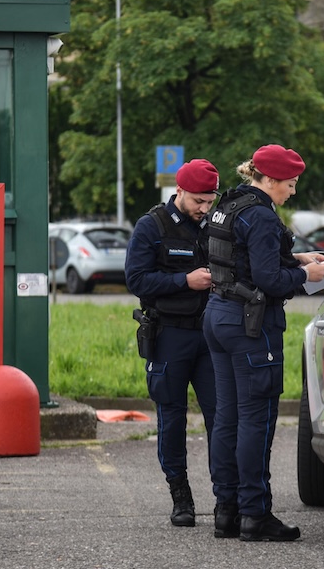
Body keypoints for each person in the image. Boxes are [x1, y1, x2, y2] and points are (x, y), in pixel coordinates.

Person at [203, 144, 324, 542]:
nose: (292, 191)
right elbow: (268, 279)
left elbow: (240, 259)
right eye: (290, 184)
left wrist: (296, 258)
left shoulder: (230, 203)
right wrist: (309, 276)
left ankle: (227, 511)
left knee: (227, 417)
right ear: (271, 180)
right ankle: (255, 515)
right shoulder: (260, 215)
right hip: (251, 325)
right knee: (256, 420)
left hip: (218, 315)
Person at [124, 159, 222, 528]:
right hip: (170, 335)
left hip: (210, 335)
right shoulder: (153, 226)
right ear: (179, 192)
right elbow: (137, 280)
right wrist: (185, 281)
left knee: (222, 418)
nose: (203, 208)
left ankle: (224, 496)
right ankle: (180, 494)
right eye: (198, 200)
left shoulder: (214, 224)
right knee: (172, 416)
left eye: (209, 201)